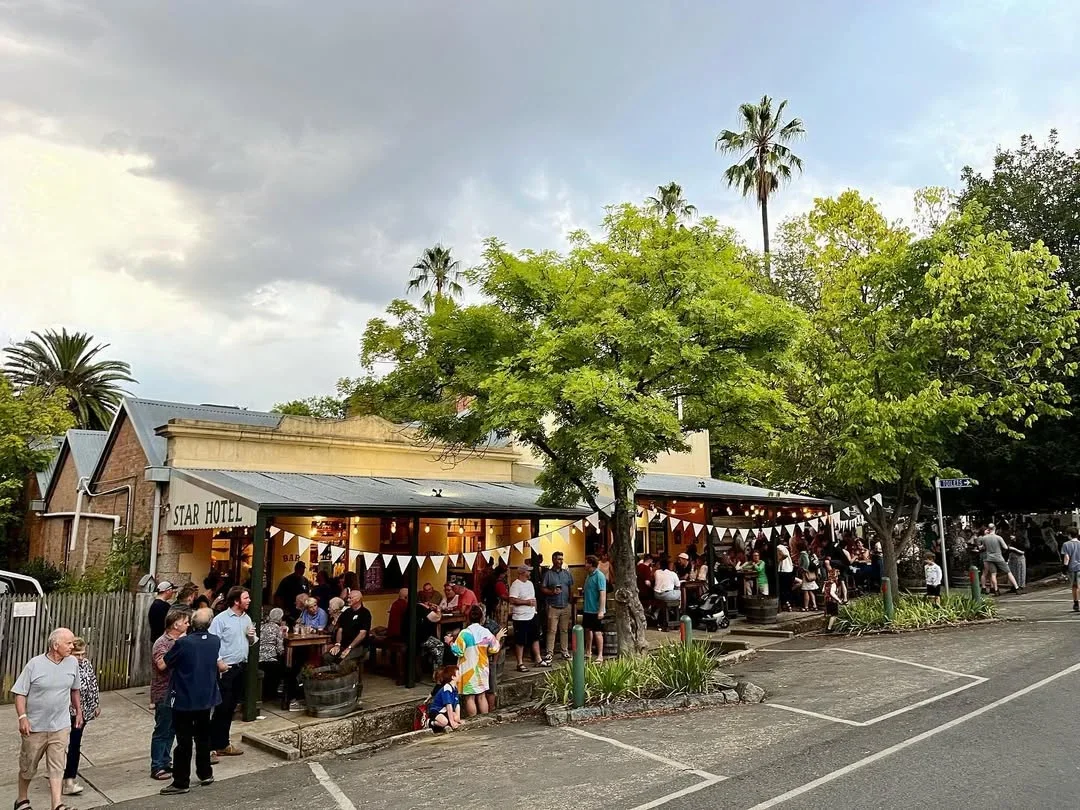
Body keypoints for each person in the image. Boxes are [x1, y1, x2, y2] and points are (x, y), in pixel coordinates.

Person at [12, 627, 82, 810]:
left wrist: (79, 711)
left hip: (60, 725)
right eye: (68, 643)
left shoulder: (73, 662)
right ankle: (22, 800)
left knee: (57, 766)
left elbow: (75, 689)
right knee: (28, 766)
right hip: (35, 726)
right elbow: (20, 693)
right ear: (55, 645)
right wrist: (22, 717)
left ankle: (57, 804)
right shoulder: (34, 664)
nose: (72, 646)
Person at [160, 608, 223, 795]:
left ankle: (181, 781)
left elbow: (167, 661)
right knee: (203, 737)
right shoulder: (215, 641)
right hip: (206, 697)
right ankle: (205, 773)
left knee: (184, 741)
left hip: (185, 698)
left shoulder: (184, 643)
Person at [208, 586, 256, 757]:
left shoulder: (246, 618)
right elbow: (212, 642)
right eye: (246, 598)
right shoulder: (221, 620)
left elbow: (251, 642)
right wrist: (219, 661)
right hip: (226, 668)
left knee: (231, 708)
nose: (249, 600)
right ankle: (211, 745)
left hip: (240, 666)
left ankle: (223, 743)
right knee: (221, 707)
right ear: (236, 601)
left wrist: (251, 636)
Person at [150, 609, 190, 780]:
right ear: (176, 624)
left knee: (172, 729)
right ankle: (157, 765)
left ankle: (166, 761)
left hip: (177, 691)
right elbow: (161, 665)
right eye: (185, 622)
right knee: (162, 729)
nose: (188, 624)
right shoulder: (162, 643)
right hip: (164, 691)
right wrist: (178, 647)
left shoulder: (181, 641)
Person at [448, 605, 506, 717]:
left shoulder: (465, 633)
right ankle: (485, 719)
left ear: (469, 618)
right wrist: (497, 638)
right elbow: (494, 649)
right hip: (482, 667)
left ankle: (473, 720)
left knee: (469, 697)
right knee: (481, 695)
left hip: (468, 668)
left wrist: (450, 642)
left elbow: (458, 651)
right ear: (481, 618)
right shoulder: (486, 632)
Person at [541, 551, 574, 664]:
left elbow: (570, 588)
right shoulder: (548, 574)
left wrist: (570, 601)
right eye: (558, 559)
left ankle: (564, 652)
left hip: (565, 605)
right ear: (553, 560)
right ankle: (549, 653)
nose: (561, 561)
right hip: (553, 606)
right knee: (551, 630)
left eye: (561, 559)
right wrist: (552, 592)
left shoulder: (567, 573)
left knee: (564, 630)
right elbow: (543, 588)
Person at [509, 564, 542, 671]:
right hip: (520, 617)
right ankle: (520, 663)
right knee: (520, 640)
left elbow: (534, 598)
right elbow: (512, 600)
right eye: (528, 571)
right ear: (523, 572)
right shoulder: (515, 585)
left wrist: (535, 610)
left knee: (535, 637)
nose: (530, 573)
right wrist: (526, 602)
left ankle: (538, 659)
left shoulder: (530, 584)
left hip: (532, 614)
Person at [328, 589, 372, 663]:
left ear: (358, 599)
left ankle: (335, 673)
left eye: (350, 598)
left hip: (359, 646)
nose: (348, 600)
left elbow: (362, 634)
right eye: (348, 598)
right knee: (327, 657)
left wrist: (350, 647)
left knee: (343, 661)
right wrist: (338, 644)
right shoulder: (346, 612)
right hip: (344, 644)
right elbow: (340, 630)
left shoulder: (365, 613)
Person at [982, 524, 1021, 595]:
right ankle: (1017, 588)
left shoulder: (984, 538)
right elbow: (1005, 547)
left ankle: (996, 590)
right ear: (995, 528)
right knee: (1008, 572)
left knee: (993, 574)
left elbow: (983, 547)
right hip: (999, 557)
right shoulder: (998, 537)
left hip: (990, 558)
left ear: (988, 529)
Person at [582, 555, 607, 662]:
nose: (584, 565)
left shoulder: (599, 576)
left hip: (596, 609)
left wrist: (601, 610)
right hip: (587, 608)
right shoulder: (588, 576)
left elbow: (603, 593)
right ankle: (588, 651)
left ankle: (600, 655)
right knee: (587, 630)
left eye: (586, 562)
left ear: (591, 564)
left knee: (598, 632)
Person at [258, 607, 286, 703]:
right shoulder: (277, 628)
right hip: (270, 661)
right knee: (285, 668)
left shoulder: (262, 626)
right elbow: (280, 649)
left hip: (258, 660)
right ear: (280, 619)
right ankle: (273, 695)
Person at [426, 665, 461, 733]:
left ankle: (448, 721)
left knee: (456, 718)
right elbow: (448, 705)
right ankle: (430, 722)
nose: (460, 675)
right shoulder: (447, 689)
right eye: (458, 674)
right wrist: (452, 722)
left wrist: (458, 719)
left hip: (444, 711)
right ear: (453, 677)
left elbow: (457, 704)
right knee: (444, 722)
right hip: (436, 710)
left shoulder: (454, 688)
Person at [1061, 528, 1080, 612]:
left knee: (1074, 586)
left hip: (1072, 568)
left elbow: (1066, 557)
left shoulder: (1066, 544)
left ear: (1069, 535)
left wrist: (1064, 568)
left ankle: (1076, 603)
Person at [776, 542, 795, 612]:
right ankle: (789, 603)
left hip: (783, 570)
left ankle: (786, 603)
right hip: (789, 569)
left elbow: (785, 555)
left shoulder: (778, 547)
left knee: (783, 589)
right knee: (788, 588)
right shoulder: (784, 547)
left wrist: (778, 560)